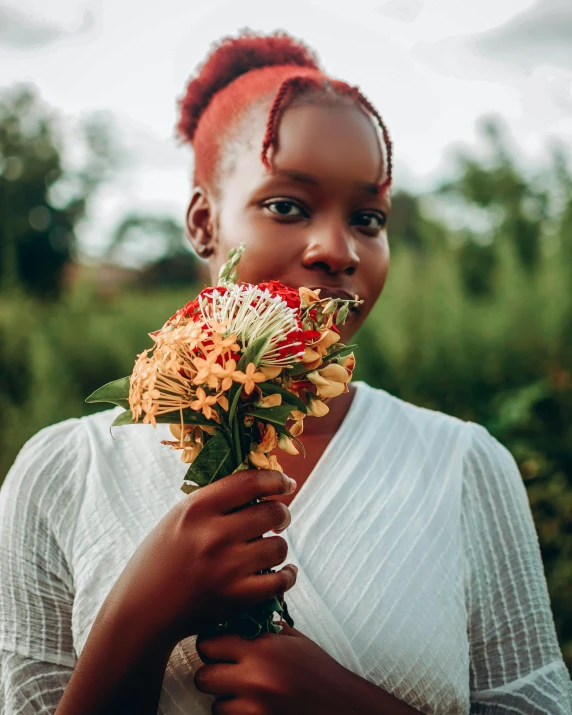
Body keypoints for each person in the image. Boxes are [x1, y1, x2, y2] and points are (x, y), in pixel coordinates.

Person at [0, 28, 570, 715]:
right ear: (204, 222)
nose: (337, 248)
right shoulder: (63, 473)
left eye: (368, 217)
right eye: (288, 206)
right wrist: (140, 615)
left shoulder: (465, 469)